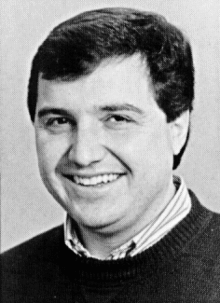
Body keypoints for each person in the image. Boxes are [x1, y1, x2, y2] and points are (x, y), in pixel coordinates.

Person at [1, 7, 220, 303]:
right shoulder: (8, 278)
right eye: (59, 121)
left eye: (117, 119)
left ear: (177, 129)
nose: (83, 155)